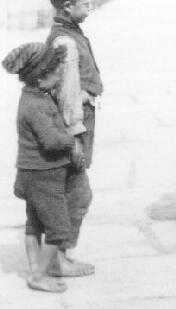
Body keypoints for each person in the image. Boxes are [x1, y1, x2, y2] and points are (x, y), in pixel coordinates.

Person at [3, 43, 86, 292]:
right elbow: (51, 141)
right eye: (55, 71)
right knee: (58, 229)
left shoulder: (33, 97)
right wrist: (71, 141)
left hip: (31, 174)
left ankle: (34, 269)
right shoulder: (37, 105)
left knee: (34, 225)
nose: (60, 74)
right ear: (40, 77)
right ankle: (39, 276)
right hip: (44, 176)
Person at [43, 0, 101, 277]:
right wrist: (75, 135)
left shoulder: (70, 33)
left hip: (79, 123)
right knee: (76, 196)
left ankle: (60, 255)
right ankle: (56, 259)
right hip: (72, 126)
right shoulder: (65, 41)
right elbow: (66, 95)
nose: (89, 7)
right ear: (67, 4)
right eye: (86, 3)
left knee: (70, 194)